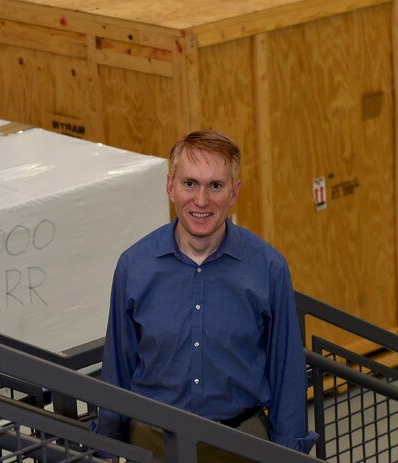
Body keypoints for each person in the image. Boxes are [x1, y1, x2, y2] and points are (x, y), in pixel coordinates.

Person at [96, 130, 318, 461]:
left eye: (215, 185)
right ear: (171, 187)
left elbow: (285, 367)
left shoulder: (268, 267)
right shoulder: (134, 266)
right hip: (153, 443)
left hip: (241, 444)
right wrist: (108, 445)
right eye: (190, 184)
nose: (201, 200)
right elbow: (118, 363)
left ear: (235, 192)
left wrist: (288, 452)